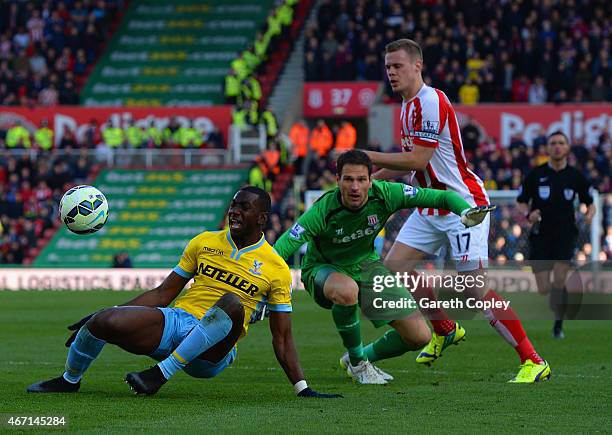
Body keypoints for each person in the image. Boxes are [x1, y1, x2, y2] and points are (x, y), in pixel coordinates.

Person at [27, 187, 341, 399]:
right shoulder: (204, 241)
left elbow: (282, 337)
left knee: (232, 304)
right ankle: (69, 380)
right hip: (177, 322)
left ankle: (160, 375)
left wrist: (302, 387)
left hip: (214, 350)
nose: (233, 211)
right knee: (105, 321)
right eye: (232, 205)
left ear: (261, 218)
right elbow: (163, 293)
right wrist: (103, 313)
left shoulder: (276, 268)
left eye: (243, 208)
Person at [364, 38, 550, 383]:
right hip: (431, 205)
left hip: (463, 204)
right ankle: (444, 328)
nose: (391, 72)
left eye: (398, 66)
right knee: (395, 267)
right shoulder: (407, 107)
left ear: (417, 66)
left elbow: (417, 159)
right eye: (388, 66)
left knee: (471, 288)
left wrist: (366, 157)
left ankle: (533, 360)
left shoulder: (430, 101)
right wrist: (367, 180)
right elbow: (411, 164)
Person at [274, 150, 493, 384]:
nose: (355, 187)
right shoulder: (323, 210)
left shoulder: (388, 194)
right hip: (323, 269)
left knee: (419, 336)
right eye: (348, 179)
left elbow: (440, 198)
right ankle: (359, 365)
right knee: (347, 290)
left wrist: (464, 211)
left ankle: (357, 358)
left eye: (361, 179)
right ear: (337, 181)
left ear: (371, 180)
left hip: (367, 266)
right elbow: (284, 245)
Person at [517, 131, 595, 339]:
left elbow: (591, 202)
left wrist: (589, 214)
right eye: (553, 143)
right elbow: (521, 200)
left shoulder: (576, 176)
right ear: (547, 148)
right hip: (541, 234)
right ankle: (558, 297)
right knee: (544, 288)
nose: (557, 146)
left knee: (560, 280)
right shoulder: (536, 174)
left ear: (568, 148)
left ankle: (558, 326)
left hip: (565, 234)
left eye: (561, 143)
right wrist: (528, 213)